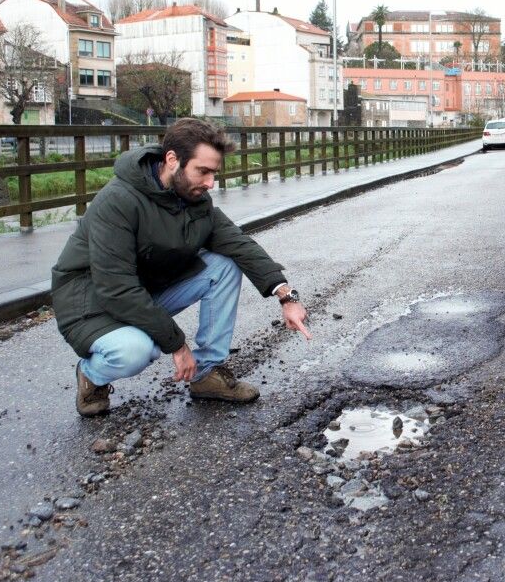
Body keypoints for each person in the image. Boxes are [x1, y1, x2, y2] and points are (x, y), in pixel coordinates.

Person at [51, 118, 311, 417]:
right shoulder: (118, 201)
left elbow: (239, 245)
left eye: (214, 173)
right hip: (92, 302)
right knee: (137, 351)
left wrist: (286, 296)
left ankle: (207, 374)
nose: (211, 182)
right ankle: (92, 375)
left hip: (144, 291)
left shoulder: (193, 198)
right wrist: (177, 344)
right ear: (172, 160)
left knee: (224, 265)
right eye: (203, 171)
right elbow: (116, 287)